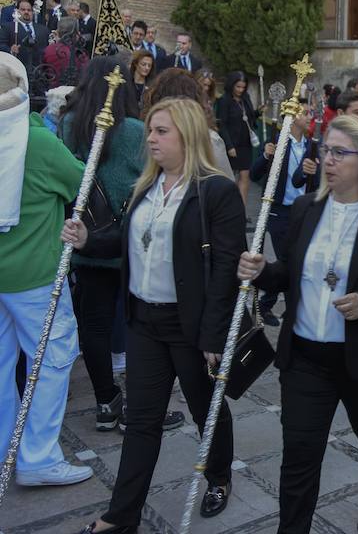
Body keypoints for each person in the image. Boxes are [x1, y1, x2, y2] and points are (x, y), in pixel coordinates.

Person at [238, 115, 358, 533]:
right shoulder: (307, 208)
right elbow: (290, 272)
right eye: (326, 149)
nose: (327, 159)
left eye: (340, 152)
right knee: (299, 456)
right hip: (305, 358)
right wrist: (261, 271)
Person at [67, 98, 244, 534]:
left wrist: (213, 335)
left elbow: (226, 268)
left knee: (208, 411)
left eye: (161, 131)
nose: (150, 139)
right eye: (150, 130)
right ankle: (120, 516)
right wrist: (90, 237)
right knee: (142, 422)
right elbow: (127, 240)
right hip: (143, 322)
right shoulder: (146, 185)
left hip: (191, 327)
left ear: (187, 135)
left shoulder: (215, 192)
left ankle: (218, 474)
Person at [0, 52, 94, 488]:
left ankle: (5, 449)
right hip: (34, 276)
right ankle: (36, 456)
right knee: (52, 358)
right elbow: (81, 181)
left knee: (2, 366)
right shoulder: (35, 141)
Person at [58, 57, 165, 435]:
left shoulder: (69, 125)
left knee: (95, 325)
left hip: (86, 238)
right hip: (129, 241)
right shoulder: (136, 131)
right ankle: (142, 403)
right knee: (139, 324)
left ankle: (106, 401)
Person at [249, 103, 320, 327]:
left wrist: (313, 171)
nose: (310, 117)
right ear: (293, 116)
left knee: (295, 260)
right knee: (286, 261)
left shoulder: (311, 145)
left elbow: (306, 181)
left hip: (301, 211)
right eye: (306, 113)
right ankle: (275, 307)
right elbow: (254, 173)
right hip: (279, 211)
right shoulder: (278, 141)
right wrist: (265, 155)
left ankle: (282, 307)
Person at [144, 67, 234, 182]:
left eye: (162, 131)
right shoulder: (150, 134)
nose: (152, 139)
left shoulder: (209, 140)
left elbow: (226, 187)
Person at [216, 71, 259, 206]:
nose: (240, 90)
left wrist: (258, 112)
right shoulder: (224, 101)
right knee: (229, 177)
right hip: (232, 144)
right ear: (232, 85)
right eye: (238, 87)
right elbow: (222, 124)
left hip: (245, 143)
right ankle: (226, 207)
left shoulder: (245, 99)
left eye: (243, 87)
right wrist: (229, 146)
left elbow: (249, 117)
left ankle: (242, 209)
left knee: (245, 176)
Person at [0, 0, 50, 73]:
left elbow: (47, 47)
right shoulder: (8, 27)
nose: (26, 12)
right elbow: (1, 44)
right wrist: (10, 50)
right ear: (17, 11)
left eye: (29, 10)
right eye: (23, 10)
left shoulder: (43, 29)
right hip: (18, 68)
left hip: (39, 71)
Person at [42, 16, 89, 88]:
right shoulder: (80, 54)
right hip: (74, 92)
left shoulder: (49, 49)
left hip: (52, 92)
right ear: (76, 34)